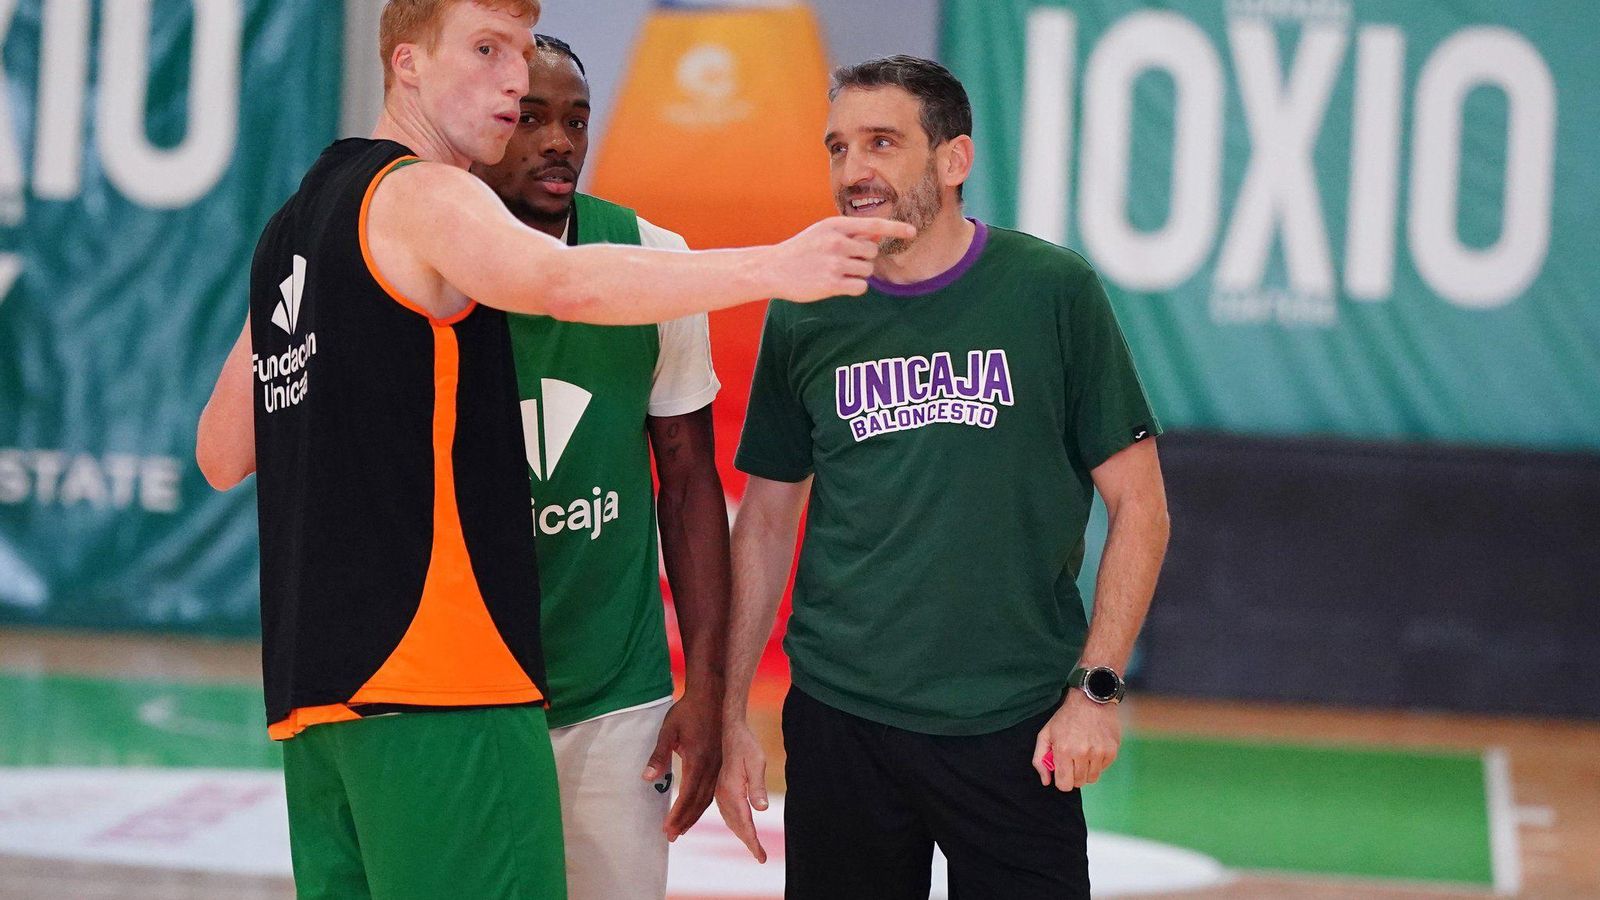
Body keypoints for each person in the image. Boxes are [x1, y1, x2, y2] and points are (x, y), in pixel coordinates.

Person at [193, 0, 912, 896]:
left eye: (519, 53)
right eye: (486, 50)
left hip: (318, 701)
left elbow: (221, 450)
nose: (509, 78)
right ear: (407, 63)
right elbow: (560, 283)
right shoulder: (427, 192)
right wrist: (775, 266)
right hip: (441, 680)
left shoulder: (295, 226)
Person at [714, 55, 1170, 899]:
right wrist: (730, 710)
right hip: (841, 719)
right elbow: (767, 521)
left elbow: (1141, 505)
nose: (854, 170)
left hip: (1016, 722)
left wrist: (1096, 692)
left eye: (881, 142)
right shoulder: (806, 308)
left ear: (954, 159)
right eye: (838, 147)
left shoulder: (1051, 291)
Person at [470, 35, 728, 900]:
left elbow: (688, 482)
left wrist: (708, 688)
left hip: (616, 693)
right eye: (531, 118)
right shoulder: (424, 263)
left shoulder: (654, 257)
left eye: (576, 121)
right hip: (460, 689)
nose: (559, 142)